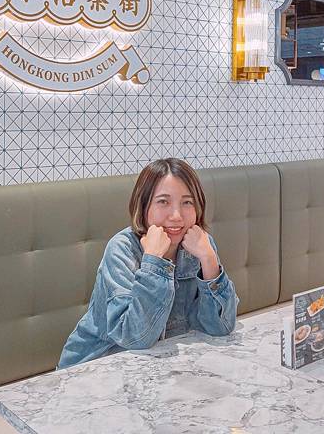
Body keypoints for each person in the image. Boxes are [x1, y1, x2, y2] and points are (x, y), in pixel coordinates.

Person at [58, 158, 238, 369]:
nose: (176, 216)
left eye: (187, 202)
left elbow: (221, 327)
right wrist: (154, 262)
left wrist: (209, 260)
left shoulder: (201, 246)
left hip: (157, 367)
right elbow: (135, 338)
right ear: (143, 206)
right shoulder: (122, 249)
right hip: (95, 367)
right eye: (163, 202)